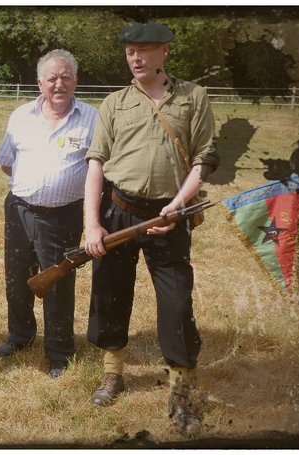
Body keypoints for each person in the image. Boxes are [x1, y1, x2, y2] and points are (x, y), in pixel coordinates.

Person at [83, 22, 220, 435]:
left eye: (144, 50)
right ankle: (113, 374)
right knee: (110, 294)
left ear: (164, 52)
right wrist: (92, 224)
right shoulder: (114, 103)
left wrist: (177, 207)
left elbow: (204, 160)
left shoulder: (193, 97)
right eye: (129, 52)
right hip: (119, 212)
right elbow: (95, 164)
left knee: (177, 303)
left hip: (170, 216)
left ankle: (181, 392)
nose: (136, 58)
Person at [0, 49, 98, 379]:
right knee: (16, 279)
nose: (59, 84)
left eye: (66, 77)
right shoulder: (20, 116)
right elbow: (6, 160)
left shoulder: (92, 118)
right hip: (19, 210)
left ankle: (59, 351)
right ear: (40, 82)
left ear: (76, 81)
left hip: (62, 215)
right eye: (52, 78)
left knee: (58, 282)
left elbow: (99, 167)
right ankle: (20, 336)